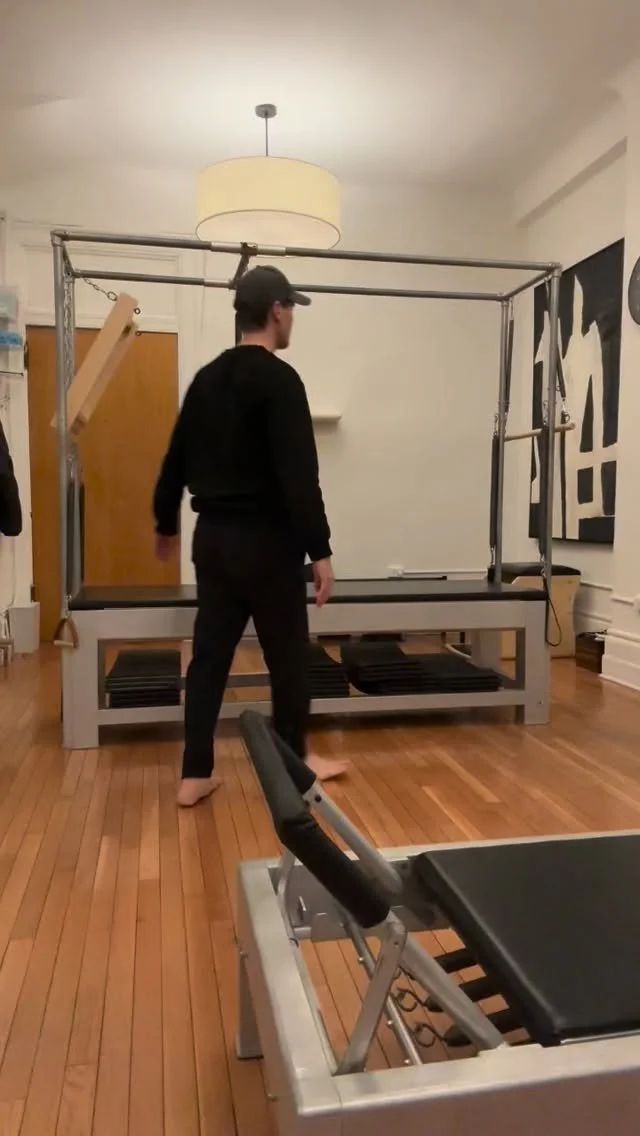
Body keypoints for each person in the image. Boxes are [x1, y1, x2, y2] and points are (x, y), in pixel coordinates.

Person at [153, 265, 349, 806]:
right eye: (291, 311)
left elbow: (175, 458)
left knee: (209, 658)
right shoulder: (281, 381)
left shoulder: (206, 379)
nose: (293, 321)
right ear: (277, 311)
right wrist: (320, 550)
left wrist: (165, 521)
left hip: (214, 540)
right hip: (268, 544)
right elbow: (299, 476)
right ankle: (296, 762)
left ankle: (195, 774)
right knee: (287, 658)